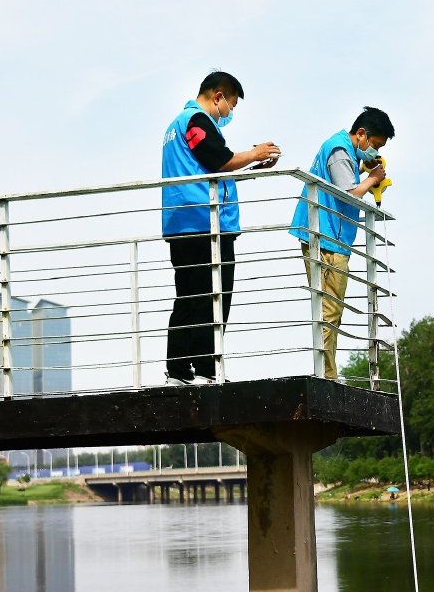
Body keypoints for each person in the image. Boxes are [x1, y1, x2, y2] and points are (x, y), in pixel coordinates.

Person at [161, 72, 281, 384]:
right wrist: (254, 153)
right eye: (231, 105)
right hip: (205, 223)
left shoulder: (177, 126)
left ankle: (179, 371)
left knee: (189, 298)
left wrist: (250, 163)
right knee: (213, 297)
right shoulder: (196, 120)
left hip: (184, 223)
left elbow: (209, 163)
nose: (229, 112)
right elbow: (218, 158)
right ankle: (205, 370)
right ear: (218, 97)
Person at [289, 107, 394, 379]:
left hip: (327, 236)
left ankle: (328, 373)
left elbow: (342, 179)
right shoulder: (339, 150)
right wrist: (373, 178)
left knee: (329, 311)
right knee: (330, 311)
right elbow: (350, 193)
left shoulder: (342, 149)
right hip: (327, 240)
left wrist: (363, 168)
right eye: (375, 144)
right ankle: (327, 376)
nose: (374, 151)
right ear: (361, 134)